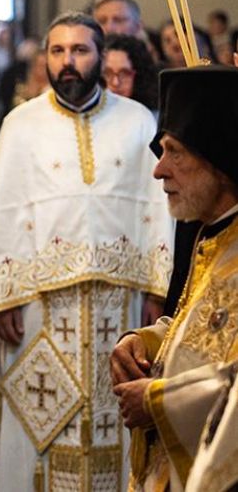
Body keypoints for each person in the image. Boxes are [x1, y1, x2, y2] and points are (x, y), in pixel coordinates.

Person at [0, 11, 172, 490]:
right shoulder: (20, 125)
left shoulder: (136, 120)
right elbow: (1, 208)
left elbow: (156, 207)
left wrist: (158, 290)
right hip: (41, 312)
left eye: (80, 50)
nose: (68, 61)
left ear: (100, 57)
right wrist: (4, 298)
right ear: (46, 57)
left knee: (118, 420)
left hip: (121, 309)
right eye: (58, 50)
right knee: (42, 425)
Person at [108, 65, 238, 491]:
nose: (159, 170)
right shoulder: (212, 238)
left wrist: (157, 401)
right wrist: (145, 341)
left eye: (174, 151)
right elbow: (205, 333)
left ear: (219, 160)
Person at [102, 34, 159, 112]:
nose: (115, 82)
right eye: (107, 73)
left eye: (124, 74)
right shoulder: (84, 119)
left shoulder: (152, 118)